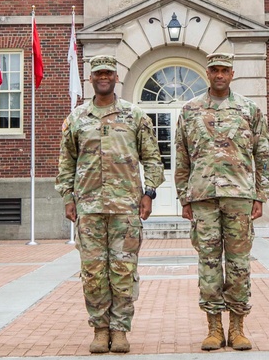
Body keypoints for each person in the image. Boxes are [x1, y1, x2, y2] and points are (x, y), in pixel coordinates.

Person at [55, 54, 164, 354]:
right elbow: (66, 163)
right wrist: (68, 197)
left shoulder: (135, 116)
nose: (103, 77)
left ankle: (120, 330)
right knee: (92, 273)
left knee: (123, 271)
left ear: (116, 78)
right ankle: (100, 329)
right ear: (91, 79)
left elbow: (153, 159)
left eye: (108, 73)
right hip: (88, 210)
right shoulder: (76, 119)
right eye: (98, 73)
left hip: (126, 210)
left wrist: (149, 193)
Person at [175, 52, 269, 352]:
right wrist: (184, 197)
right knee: (208, 264)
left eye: (225, 70)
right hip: (203, 198)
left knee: (239, 264)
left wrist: (260, 195)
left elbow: (263, 155)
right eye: (214, 70)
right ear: (207, 73)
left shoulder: (248, 109)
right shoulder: (190, 110)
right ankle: (214, 327)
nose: (219, 75)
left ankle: (238, 327)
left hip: (239, 197)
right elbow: (181, 157)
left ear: (232, 74)